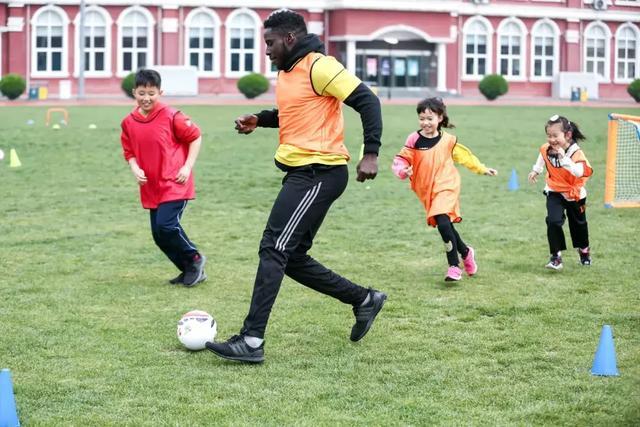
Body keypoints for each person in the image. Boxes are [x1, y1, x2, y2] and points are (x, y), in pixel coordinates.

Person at [206, 9, 386, 363]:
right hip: (302, 172)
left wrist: (372, 153)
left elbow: (367, 100)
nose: (267, 50)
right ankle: (364, 299)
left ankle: (252, 340)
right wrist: (260, 119)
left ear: (289, 39)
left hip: (320, 171)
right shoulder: (288, 72)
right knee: (290, 256)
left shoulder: (320, 65)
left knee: (273, 247)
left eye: (270, 43)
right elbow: (295, 113)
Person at [392, 97, 498, 282]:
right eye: (422, 118)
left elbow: (465, 157)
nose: (425, 122)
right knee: (445, 224)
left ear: (440, 118)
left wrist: (482, 168)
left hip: (447, 185)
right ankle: (466, 252)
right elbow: (401, 159)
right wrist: (403, 170)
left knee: (442, 222)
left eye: (430, 118)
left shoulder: (449, 141)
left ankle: (454, 266)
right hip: (426, 189)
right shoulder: (414, 139)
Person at [120, 69, 206, 287]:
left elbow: (196, 137)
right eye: (141, 93)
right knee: (158, 235)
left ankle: (195, 258)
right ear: (134, 93)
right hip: (151, 186)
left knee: (167, 226)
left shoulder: (172, 116)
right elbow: (128, 150)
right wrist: (134, 168)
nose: (146, 98)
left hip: (175, 182)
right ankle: (189, 269)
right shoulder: (129, 122)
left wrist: (187, 167)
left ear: (160, 92)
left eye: (151, 93)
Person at [527, 114, 593, 270]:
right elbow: (543, 154)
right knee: (553, 221)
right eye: (549, 136)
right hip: (554, 191)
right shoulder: (548, 147)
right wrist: (536, 170)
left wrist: (564, 159)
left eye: (555, 136)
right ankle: (556, 257)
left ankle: (584, 250)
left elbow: (578, 172)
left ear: (568, 135)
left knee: (579, 225)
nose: (551, 139)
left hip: (574, 194)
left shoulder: (576, 153)